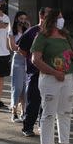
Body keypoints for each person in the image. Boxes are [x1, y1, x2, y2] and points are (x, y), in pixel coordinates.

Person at [31, 9, 73, 144]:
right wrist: (54, 72)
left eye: (62, 17)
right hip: (50, 79)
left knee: (65, 112)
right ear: (51, 20)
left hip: (67, 78)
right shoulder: (42, 37)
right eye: (59, 17)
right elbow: (35, 60)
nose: (61, 20)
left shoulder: (66, 36)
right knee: (49, 112)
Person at [17, 7, 51, 137]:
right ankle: (28, 127)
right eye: (48, 14)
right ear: (41, 16)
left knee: (47, 101)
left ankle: (43, 124)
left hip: (49, 72)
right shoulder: (32, 31)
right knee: (33, 101)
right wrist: (31, 60)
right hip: (35, 72)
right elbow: (21, 49)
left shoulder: (53, 32)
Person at [9, 11, 30, 122]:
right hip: (17, 60)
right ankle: (14, 111)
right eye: (21, 18)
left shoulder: (27, 30)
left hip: (27, 60)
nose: (23, 20)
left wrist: (29, 28)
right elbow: (12, 47)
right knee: (17, 87)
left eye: (24, 18)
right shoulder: (12, 31)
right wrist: (21, 47)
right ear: (17, 18)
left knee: (25, 88)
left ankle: (24, 111)